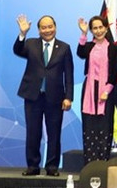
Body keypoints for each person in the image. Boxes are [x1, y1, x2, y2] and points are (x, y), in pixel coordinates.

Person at [13, 14, 74, 176]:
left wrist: (68, 97)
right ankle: (33, 166)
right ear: (39, 30)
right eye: (43, 27)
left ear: (55, 27)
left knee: (54, 133)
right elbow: (17, 50)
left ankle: (52, 167)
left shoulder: (64, 47)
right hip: (33, 95)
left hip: (55, 97)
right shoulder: (30, 44)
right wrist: (22, 34)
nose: (47, 30)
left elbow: (69, 75)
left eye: (50, 27)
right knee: (33, 132)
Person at [76, 16, 117, 164]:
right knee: (89, 125)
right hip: (89, 89)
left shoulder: (112, 48)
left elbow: (115, 71)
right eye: (94, 28)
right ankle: (90, 163)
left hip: (106, 91)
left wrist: (106, 91)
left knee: (104, 126)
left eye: (101, 27)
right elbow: (80, 53)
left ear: (106, 28)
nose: (98, 31)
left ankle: (102, 162)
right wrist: (83, 34)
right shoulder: (89, 46)